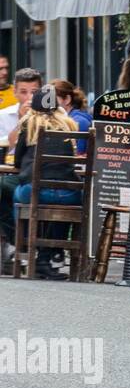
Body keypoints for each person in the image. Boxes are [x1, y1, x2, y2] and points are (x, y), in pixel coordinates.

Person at [9, 87, 80, 280]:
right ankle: (48, 256)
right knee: (61, 208)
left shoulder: (30, 124)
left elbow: (17, 162)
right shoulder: (68, 125)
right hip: (69, 193)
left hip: (36, 191)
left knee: (17, 195)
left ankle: (23, 249)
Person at [0, 68, 42, 250]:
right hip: (15, 173)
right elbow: (8, 149)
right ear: (15, 92)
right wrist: (22, 120)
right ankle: (18, 240)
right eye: (23, 92)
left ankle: (25, 244)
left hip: (42, 175)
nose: (29, 97)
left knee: (8, 188)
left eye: (34, 92)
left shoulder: (56, 114)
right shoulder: (4, 116)